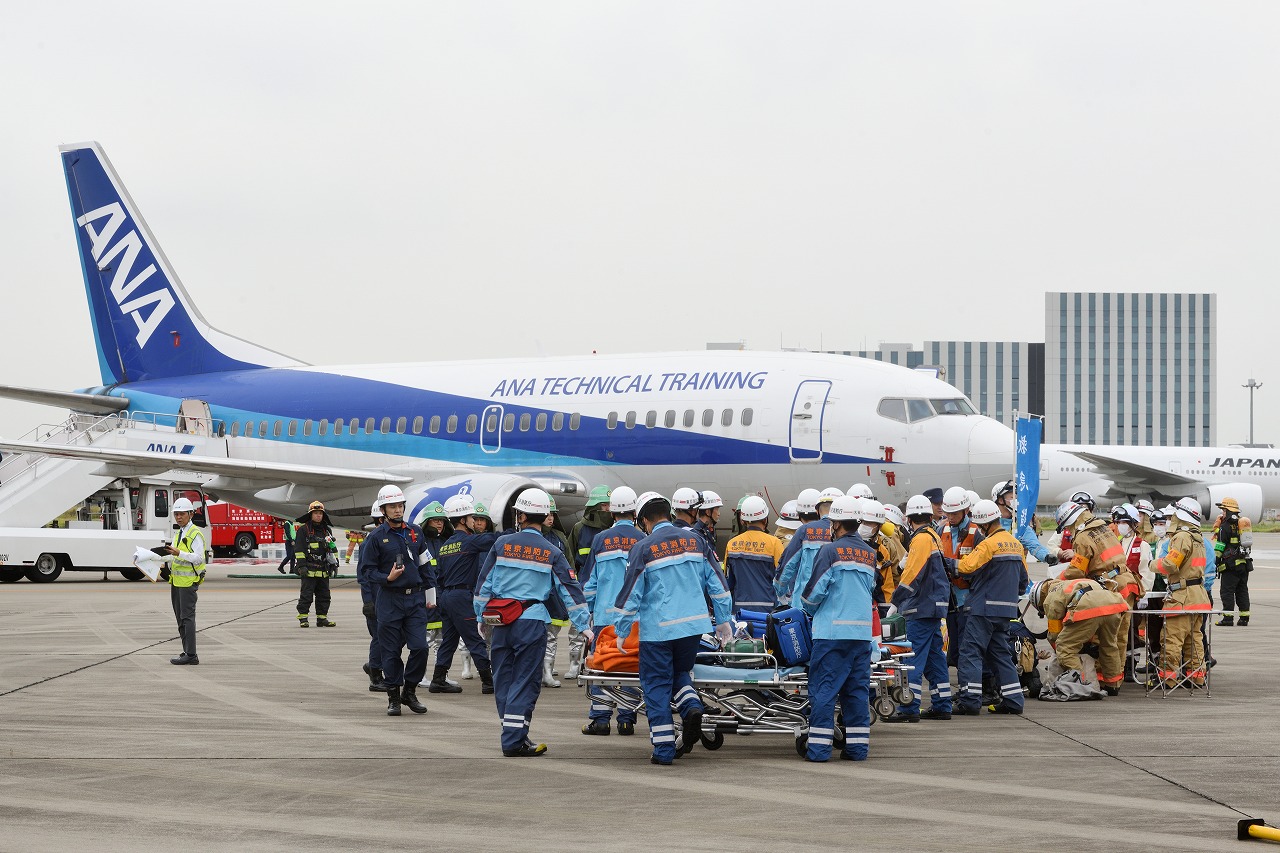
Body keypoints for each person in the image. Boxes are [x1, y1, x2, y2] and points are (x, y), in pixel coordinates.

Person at [612, 493, 733, 766]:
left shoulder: (643, 548)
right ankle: (691, 707)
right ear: (669, 514)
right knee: (680, 672)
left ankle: (664, 749)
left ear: (644, 520)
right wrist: (723, 619)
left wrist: (621, 629)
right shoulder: (697, 541)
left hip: (658, 630)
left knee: (656, 684)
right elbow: (718, 582)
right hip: (693, 627)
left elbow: (630, 593)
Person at [474, 488, 593, 757]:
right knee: (525, 681)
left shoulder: (502, 545)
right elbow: (569, 590)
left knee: (502, 678)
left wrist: (481, 616)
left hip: (501, 621)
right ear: (543, 516)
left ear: (522, 515)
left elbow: (484, 583)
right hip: (532, 621)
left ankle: (514, 733)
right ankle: (514, 740)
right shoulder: (552, 551)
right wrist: (584, 625)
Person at [799, 495, 877, 761]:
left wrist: (807, 609)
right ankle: (857, 749)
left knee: (824, 691)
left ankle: (819, 750)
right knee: (856, 692)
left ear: (836, 524)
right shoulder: (870, 554)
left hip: (832, 635)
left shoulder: (829, 551)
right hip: (861, 636)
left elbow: (813, 595)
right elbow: (871, 590)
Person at [359, 484, 437, 716]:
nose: (397, 510)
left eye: (399, 505)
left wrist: (431, 594)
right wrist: (387, 577)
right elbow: (366, 572)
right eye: (392, 506)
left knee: (420, 648)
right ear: (383, 510)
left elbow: (425, 563)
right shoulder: (375, 538)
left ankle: (409, 692)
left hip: (415, 600)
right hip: (389, 600)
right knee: (391, 651)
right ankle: (393, 697)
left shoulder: (416, 532)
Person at [954, 500, 1028, 715]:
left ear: (984, 525)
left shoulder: (988, 544)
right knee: (1000, 655)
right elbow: (1023, 581)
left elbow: (967, 568)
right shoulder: (1015, 544)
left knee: (970, 652)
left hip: (983, 609)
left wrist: (948, 563)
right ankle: (1014, 701)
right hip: (1005, 611)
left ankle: (970, 701)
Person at [580, 486, 644, 736]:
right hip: (634, 617)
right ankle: (626, 719)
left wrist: (588, 615)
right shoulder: (643, 539)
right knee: (629, 666)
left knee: (601, 666)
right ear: (634, 511)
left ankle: (601, 719)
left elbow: (590, 583)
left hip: (605, 617)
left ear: (612, 512)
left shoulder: (600, 539)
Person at [884, 495, 952, 723]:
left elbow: (912, 574)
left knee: (911, 659)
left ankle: (908, 707)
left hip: (921, 607)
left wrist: (896, 600)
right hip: (933, 606)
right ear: (930, 516)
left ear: (909, 519)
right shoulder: (933, 536)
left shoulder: (921, 539)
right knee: (934, 658)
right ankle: (942, 704)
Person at [431, 494, 495, 694]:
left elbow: (439, 577)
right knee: (475, 638)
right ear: (462, 520)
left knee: (449, 640)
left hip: (447, 598)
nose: (475, 521)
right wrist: (514, 530)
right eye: (471, 518)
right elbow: (494, 539)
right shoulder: (470, 542)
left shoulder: (445, 546)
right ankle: (488, 681)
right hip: (461, 596)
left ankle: (438, 679)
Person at [1150, 497, 1211, 690]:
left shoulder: (1182, 537)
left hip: (1182, 597)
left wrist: (1151, 564)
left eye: (1172, 515)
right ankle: (1197, 677)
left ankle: (1167, 679)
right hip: (1198, 596)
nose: (1169, 520)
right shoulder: (1198, 537)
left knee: (1171, 639)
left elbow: (1170, 564)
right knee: (1194, 641)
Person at [1031, 577, 1129, 695]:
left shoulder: (1050, 598)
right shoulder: (1071, 582)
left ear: (1039, 601)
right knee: (1109, 645)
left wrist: (1062, 652)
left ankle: (1083, 682)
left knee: (1064, 648)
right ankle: (1113, 685)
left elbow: (1055, 635)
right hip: (1113, 606)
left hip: (1089, 609)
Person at [163, 497, 207, 665]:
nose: (178, 517)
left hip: (188, 583)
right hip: (176, 581)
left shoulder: (195, 533)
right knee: (180, 618)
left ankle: (191, 654)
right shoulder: (178, 533)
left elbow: (198, 558)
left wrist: (178, 554)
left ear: (190, 514)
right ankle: (187, 651)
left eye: (181, 514)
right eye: (176, 514)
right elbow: (173, 555)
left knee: (187, 618)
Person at [722, 496, 783, 612]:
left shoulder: (732, 544)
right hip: (768, 607)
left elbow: (728, 582)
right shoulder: (774, 543)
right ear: (765, 519)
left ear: (742, 520)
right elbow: (781, 578)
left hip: (740, 609)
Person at [774, 488, 831, 608]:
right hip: (832, 605)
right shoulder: (842, 532)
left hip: (803, 604)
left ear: (799, 516)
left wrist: (780, 593)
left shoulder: (803, 531)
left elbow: (786, 567)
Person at [540, 496, 575, 688]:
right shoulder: (534, 537)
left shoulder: (560, 537)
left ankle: (547, 672)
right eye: (546, 514)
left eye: (553, 514)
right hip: (536, 595)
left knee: (552, 635)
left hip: (555, 595)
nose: (550, 518)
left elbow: (569, 564)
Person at [359, 502, 389, 692]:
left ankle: (373, 665)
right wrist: (368, 601)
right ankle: (376, 676)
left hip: (389, 598)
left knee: (392, 637)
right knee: (379, 637)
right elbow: (364, 577)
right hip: (376, 599)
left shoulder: (391, 539)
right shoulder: (369, 543)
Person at [293, 500, 338, 628]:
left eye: (320, 513)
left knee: (324, 596)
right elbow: (299, 549)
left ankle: (322, 619)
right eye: (316, 513)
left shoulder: (327, 530)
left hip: (324, 570)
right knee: (306, 595)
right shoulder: (303, 530)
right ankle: (303, 618)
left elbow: (332, 548)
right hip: (309, 570)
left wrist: (334, 563)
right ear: (311, 514)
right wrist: (301, 566)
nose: (318, 515)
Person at [992, 479, 1056, 567]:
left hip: (1016, 574)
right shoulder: (989, 524)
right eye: (1012, 497)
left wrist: (1046, 556)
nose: (1016, 501)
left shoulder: (1021, 526)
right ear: (1000, 500)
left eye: (1017, 498)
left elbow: (1034, 545)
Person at [1214, 497, 1253, 626]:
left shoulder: (1225, 526)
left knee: (1227, 591)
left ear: (1228, 510)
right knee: (1242, 590)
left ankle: (1228, 618)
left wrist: (1216, 560)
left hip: (1230, 566)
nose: (1222, 513)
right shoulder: (1242, 524)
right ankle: (1244, 618)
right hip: (1244, 564)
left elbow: (1220, 545)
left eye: (1224, 510)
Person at [691, 490, 724, 556]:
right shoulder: (696, 534)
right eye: (717, 509)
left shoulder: (710, 530)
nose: (719, 514)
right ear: (708, 512)